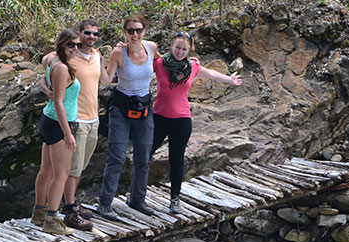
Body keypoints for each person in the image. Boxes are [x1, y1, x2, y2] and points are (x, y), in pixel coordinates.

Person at [151, 32, 242, 213]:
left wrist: (229, 79)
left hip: (181, 120)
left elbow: (211, 74)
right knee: (143, 155)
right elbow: (140, 58)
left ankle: (175, 199)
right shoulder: (160, 64)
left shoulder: (192, 66)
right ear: (171, 45)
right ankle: (136, 194)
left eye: (184, 49)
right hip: (158, 117)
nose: (179, 51)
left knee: (176, 160)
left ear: (189, 50)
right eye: (177, 47)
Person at [39, 20, 110, 227]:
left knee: (76, 168)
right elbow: (46, 67)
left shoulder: (96, 55)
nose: (91, 37)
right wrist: (46, 88)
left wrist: (116, 57)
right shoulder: (64, 60)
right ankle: (67, 210)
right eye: (86, 33)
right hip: (72, 120)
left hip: (92, 118)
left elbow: (105, 81)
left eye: (95, 34)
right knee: (66, 171)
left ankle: (55, 209)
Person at [97, 13, 160, 220]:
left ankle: (137, 200)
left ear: (144, 31)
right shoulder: (119, 53)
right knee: (117, 156)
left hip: (144, 107)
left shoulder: (150, 47)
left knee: (143, 157)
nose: (135, 34)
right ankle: (105, 203)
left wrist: (188, 61)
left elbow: (161, 63)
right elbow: (106, 81)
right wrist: (97, 60)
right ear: (125, 32)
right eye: (131, 30)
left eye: (138, 30)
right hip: (121, 108)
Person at [31, 29, 91, 234]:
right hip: (59, 123)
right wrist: (68, 133)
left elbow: (43, 73)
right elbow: (58, 102)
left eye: (78, 45)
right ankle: (51, 219)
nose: (75, 49)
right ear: (62, 46)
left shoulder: (51, 59)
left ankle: (38, 213)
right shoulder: (62, 69)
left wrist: (45, 87)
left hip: (48, 120)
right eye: (71, 45)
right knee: (61, 174)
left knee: (46, 170)